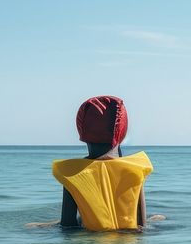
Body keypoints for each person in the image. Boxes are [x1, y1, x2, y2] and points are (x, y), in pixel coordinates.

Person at [28, 95, 162, 231]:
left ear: (81, 130)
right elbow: (141, 226)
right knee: (158, 217)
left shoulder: (73, 173)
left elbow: (67, 226)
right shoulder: (134, 169)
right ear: (122, 131)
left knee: (38, 226)